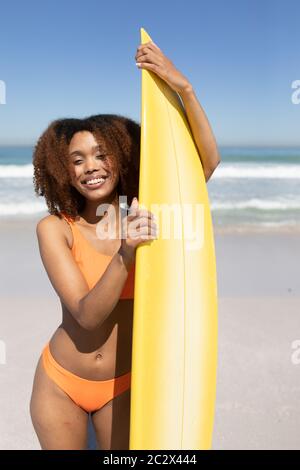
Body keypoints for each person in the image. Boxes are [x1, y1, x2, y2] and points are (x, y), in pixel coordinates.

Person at [30, 40, 220, 450]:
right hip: (60, 383)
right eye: (77, 159)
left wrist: (183, 88)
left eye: (101, 154)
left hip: (123, 384)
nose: (91, 167)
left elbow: (203, 165)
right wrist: (125, 253)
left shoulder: (143, 214)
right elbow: (85, 316)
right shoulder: (55, 228)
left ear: (121, 156)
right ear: (63, 170)